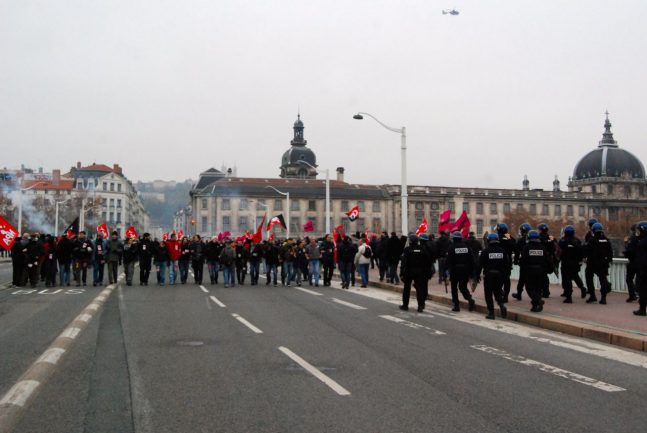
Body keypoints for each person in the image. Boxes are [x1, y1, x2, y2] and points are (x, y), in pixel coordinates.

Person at [478, 233, 509, 320]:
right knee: (498, 292)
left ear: (488, 241)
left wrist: (477, 276)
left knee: (488, 294)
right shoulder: (502, 251)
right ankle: (502, 305)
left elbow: (480, 265)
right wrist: (504, 275)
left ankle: (491, 313)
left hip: (489, 275)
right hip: (500, 275)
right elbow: (507, 264)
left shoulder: (485, 251)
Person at [519, 230, 551, 312]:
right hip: (541, 271)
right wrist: (549, 269)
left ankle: (538, 300)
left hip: (530, 271)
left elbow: (523, 260)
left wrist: (523, 268)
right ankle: (535, 306)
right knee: (538, 289)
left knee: (529, 288)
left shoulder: (526, 248)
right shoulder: (542, 248)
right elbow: (547, 259)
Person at [399, 234, 432, 312]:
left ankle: (405, 305)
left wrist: (401, 273)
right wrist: (427, 272)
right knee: (420, 289)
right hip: (420, 272)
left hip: (409, 271)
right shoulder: (422, 249)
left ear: (410, 241)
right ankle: (420, 306)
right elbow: (428, 261)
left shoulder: (407, 249)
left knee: (407, 288)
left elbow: (403, 262)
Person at [446, 231, 476, 312]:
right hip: (465, 271)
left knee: (454, 288)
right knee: (463, 287)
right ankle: (470, 299)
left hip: (455, 271)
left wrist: (447, 271)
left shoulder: (451, 248)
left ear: (454, 239)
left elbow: (448, 261)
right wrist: (472, 272)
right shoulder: (467, 247)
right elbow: (472, 260)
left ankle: (456, 305)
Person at [583, 222, 613, 304]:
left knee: (589, 277)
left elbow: (586, 250)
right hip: (603, 263)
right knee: (603, 280)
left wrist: (584, 257)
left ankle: (592, 296)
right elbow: (610, 252)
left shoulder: (592, 240)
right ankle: (603, 298)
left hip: (592, 263)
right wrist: (608, 261)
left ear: (593, 230)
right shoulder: (606, 240)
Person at [558, 225, 584, 303]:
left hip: (565, 263)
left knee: (566, 279)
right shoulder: (577, 240)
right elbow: (581, 251)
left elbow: (558, 251)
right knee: (575, 276)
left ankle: (568, 296)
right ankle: (582, 288)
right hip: (575, 263)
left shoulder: (562, 241)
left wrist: (557, 259)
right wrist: (580, 261)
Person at [496, 223, 516, 302]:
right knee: (506, 279)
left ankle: (500, 292)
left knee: (497, 279)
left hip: (498, 262)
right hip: (507, 262)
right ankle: (506, 296)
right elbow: (515, 247)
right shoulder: (509, 237)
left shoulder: (497, 237)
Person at [538, 223, 558, 298]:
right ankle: (546, 292)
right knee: (545, 276)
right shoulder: (551, 238)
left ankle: (542, 291)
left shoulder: (538, 238)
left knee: (540, 276)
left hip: (541, 259)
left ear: (540, 230)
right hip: (549, 259)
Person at [512, 223, 532, 301]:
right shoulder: (537, 239)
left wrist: (516, 261)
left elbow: (517, 252)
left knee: (522, 280)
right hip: (536, 263)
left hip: (524, 263)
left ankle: (519, 294)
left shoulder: (521, 240)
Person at [633, 221, 647, 316]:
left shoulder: (642, 243)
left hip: (644, 270)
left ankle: (642, 309)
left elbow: (641, 258)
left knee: (642, 289)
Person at [623, 225, 639, 302]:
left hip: (634, 262)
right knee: (640, 278)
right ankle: (637, 293)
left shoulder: (633, 239)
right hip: (642, 262)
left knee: (629, 279)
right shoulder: (642, 238)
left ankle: (633, 295)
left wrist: (626, 244)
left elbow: (630, 251)